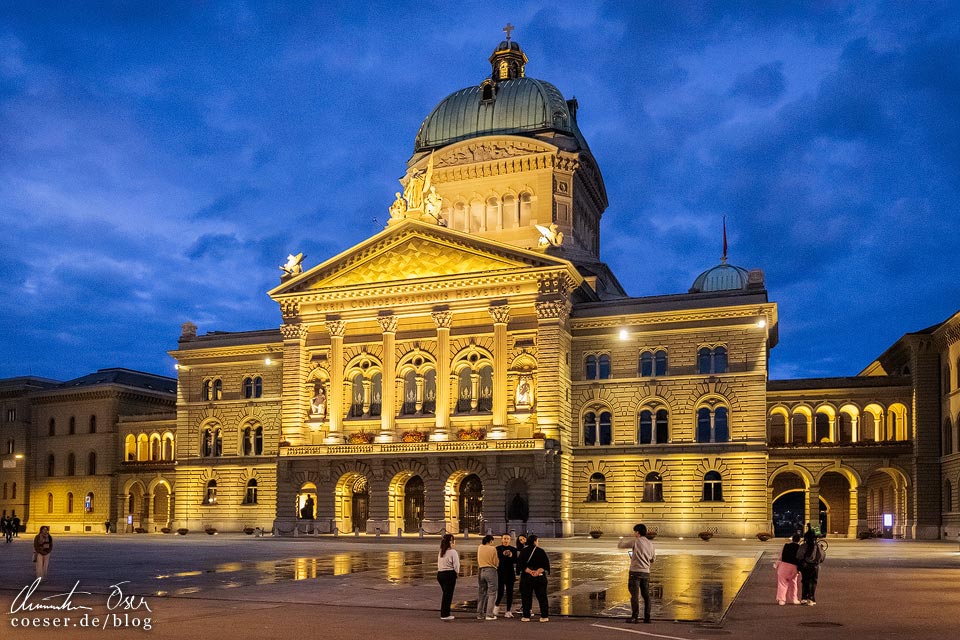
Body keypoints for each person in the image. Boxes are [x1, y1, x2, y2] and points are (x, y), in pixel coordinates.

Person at [618, 523, 656, 623]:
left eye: (635, 531)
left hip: (635, 572)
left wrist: (621, 539)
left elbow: (621, 546)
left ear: (637, 532)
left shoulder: (635, 541)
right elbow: (652, 559)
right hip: (646, 572)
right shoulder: (650, 544)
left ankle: (635, 617)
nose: (634, 533)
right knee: (646, 596)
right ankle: (647, 618)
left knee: (634, 595)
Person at [518, 534, 550, 622]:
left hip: (526, 577)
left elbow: (520, 564)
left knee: (526, 597)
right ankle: (544, 616)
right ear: (535, 541)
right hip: (539, 577)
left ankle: (526, 616)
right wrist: (537, 571)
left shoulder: (524, 551)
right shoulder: (541, 551)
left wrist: (530, 571)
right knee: (542, 596)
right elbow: (545, 564)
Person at [796, 528, 825, 605]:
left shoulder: (803, 546)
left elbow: (799, 556)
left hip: (805, 566)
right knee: (813, 582)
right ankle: (811, 598)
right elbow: (822, 557)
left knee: (805, 581)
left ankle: (804, 598)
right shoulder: (818, 546)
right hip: (815, 566)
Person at [437, 534, 459, 620]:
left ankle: (445, 612)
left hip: (440, 574)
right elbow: (456, 564)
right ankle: (445, 614)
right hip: (449, 574)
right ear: (450, 541)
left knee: (445, 594)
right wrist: (457, 573)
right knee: (448, 595)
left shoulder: (441, 551)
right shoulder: (453, 552)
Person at [476, 534, 499, 620]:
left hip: (481, 570)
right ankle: (489, 614)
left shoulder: (480, 547)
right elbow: (496, 561)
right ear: (490, 541)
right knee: (492, 593)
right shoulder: (493, 549)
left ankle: (480, 613)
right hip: (490, 570)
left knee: (482, 592)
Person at [494, 533, 517, 617]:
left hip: (510, 573)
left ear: (510, 540)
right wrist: (502, 555)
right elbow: (495, 559)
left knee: (509, 592)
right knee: (500, 591)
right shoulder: (497, 549)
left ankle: (508, 611)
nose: (506, 540)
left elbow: (516, 561)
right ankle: (496, 607)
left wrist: (511, 556)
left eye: (507, 539)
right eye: (504, 538)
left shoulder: (513, 549)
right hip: (500, 573)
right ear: (501, 539)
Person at [776, 534, 802, 605]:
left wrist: (777, 564)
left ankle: (781, 600)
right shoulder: (799, 548)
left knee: (782, 583)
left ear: (792, 539)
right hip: (793, 567)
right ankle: (794, 599)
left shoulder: (786, 546)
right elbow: (800, 558)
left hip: (783, 566)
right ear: (799, 540)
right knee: (793, 583)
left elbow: (780, 556)